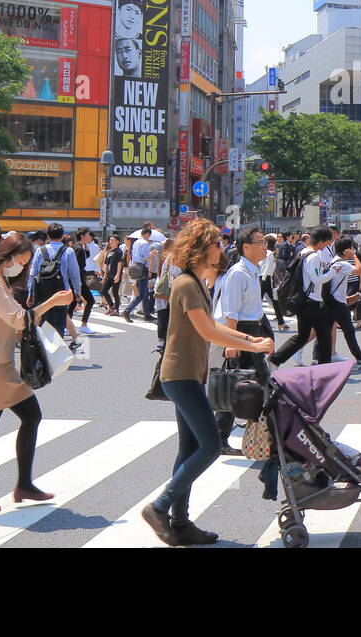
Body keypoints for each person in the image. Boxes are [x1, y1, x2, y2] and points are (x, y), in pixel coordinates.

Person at [142, 219, 274, 546]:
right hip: (180, 375)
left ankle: (180, 523)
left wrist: (248, 338)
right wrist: (252, 344)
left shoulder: (198, 282)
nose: (220, 249)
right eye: (216, 244)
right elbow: (208, 332)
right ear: (202, 247)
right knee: (211, 446)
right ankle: (159, 508)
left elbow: (215, 325)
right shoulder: (186, 283)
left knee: (189, 448)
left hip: (190, 375)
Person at [0, 234, 74, 515]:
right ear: (6, 256)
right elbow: (19, 318)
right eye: (20, 261)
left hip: (1, 365)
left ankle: (23, 484)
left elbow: (19, 321)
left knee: (31, 416)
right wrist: (52, 302)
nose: (21, 267)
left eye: (24, 263)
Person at [212, 225, 275, 454]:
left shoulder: (253, 270)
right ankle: (220, 438)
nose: (264, 247)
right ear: (246, 247)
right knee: (239, 387)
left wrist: (266, 335)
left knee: (252, 386)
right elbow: (232, 312)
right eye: (260, 243)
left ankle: (262, 438)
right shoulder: (238, 273)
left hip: (252, 332)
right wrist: (231, 343)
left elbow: (255, 309)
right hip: (241, 334)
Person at [271, 227, 336, 367]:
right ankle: (324, 366)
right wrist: (333, 272)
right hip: (312, 301)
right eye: (326, 242)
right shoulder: (314, 256)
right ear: (321, 241)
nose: (326, 246)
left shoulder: (303, 252)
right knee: (324, 335)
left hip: (302, 300)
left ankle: (275, 359)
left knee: (302, 337)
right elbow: (317, 279)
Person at [27, 223, 82, 349]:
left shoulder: (40, 250)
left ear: (47, 235)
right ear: (62, 236)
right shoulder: (68, 251)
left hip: (42, 293)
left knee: (41, 322)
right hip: (61, 293)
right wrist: (77, 291)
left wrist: (30, 293)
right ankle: (56, 355)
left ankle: (43, 353)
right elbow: (74, 274)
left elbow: (33, 273)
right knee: (59, 324)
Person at [324, 237, 361, 365]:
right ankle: (360, 357)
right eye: (352, 247)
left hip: (333, 300)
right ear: (347, 250)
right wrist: (354, 256)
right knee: (349, 330)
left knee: (322, 330)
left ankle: (317, 356)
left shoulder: (334, 260)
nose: (354, 249)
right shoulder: (342, 264)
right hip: (337, 303)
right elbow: (360, 271)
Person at [122, 226, 155, 322]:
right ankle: (127, 311)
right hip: (142, 268)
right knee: (142, 293)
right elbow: (146, 257)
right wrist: (152, 255)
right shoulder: (145, 243)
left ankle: (147, 313)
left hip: (134, 266)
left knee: (144, 292)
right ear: (147, 234)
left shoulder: (136, 242)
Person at [72, 227, 101, 335]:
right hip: (79, 279)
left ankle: (67, 326)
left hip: (78, 278)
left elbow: (87, 256)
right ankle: (83, 325)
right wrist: (78, 284)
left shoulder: (79, 247)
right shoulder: (78, 249)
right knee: (90, 300)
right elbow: (78, 267)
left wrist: (85, 244)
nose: (90, 236)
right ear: (83, 236)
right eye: (88, 234)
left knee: (73, 302)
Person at [99, 233, 123, 312]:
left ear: (117, 241)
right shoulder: (109, 252)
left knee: (115, 292)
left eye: (112, 240)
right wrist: (104, 274)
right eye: (110, 240)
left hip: (116, 274)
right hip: (109, 275)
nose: (110, 242)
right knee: (103, 290)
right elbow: (106, 265)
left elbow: (120, 263)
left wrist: (118, 275)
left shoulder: (119, 251)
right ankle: (111, 306)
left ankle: (116, 309)